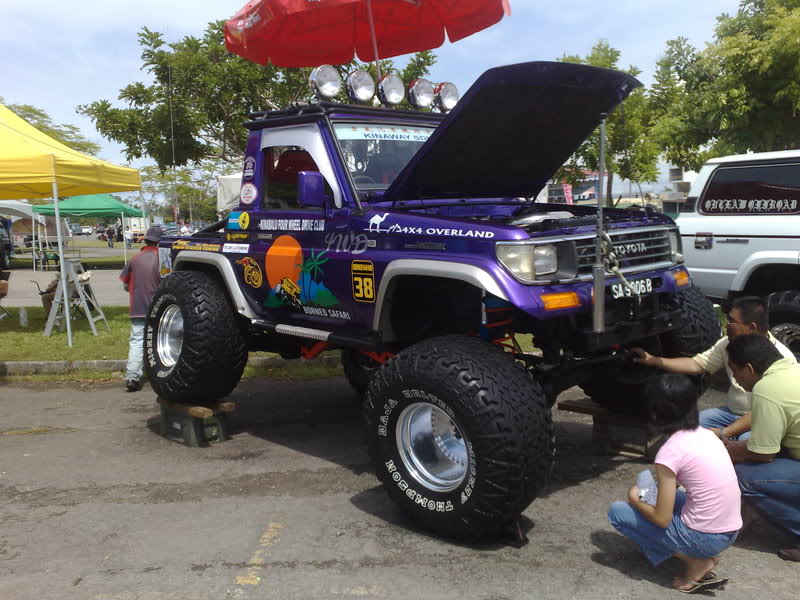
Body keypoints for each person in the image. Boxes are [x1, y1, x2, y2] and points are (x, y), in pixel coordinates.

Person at [608, 374, 741, 593]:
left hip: (706, 539)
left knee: (618, 512)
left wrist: (634, 499)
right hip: (731, 529)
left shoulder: (669, 452)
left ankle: (694, 561)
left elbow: (662, 519)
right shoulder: (706, 434)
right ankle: (694, 553)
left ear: (654, 411)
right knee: (654, 493)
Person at [633, 296, 795, 440]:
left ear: (751, 327)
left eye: (731, 321)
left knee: (746, 440)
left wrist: (725, 432)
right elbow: (697, 364)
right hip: (729, 414)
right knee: (690, 429)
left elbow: (767, 412)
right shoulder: (727, 343)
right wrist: (654, 360)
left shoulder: (782, 359)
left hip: (762, 419)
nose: (726, 325)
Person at [724, 333, 800, 562]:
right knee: (749, 439)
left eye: (735, 371)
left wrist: (728, 451)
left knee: (741, 475)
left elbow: (763, 453)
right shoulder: (793, 367)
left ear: (748, 368)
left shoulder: (767, 387)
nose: (735, 379)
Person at [119, 226, 163, 392]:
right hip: (159, 308)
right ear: (160, 241)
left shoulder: (134, 258)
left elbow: (125, 283)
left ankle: (132, 377)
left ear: (146, 239)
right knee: (159, 341)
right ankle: (159, 374)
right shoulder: (163, 259)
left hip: (137, 308)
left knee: (137, 342)